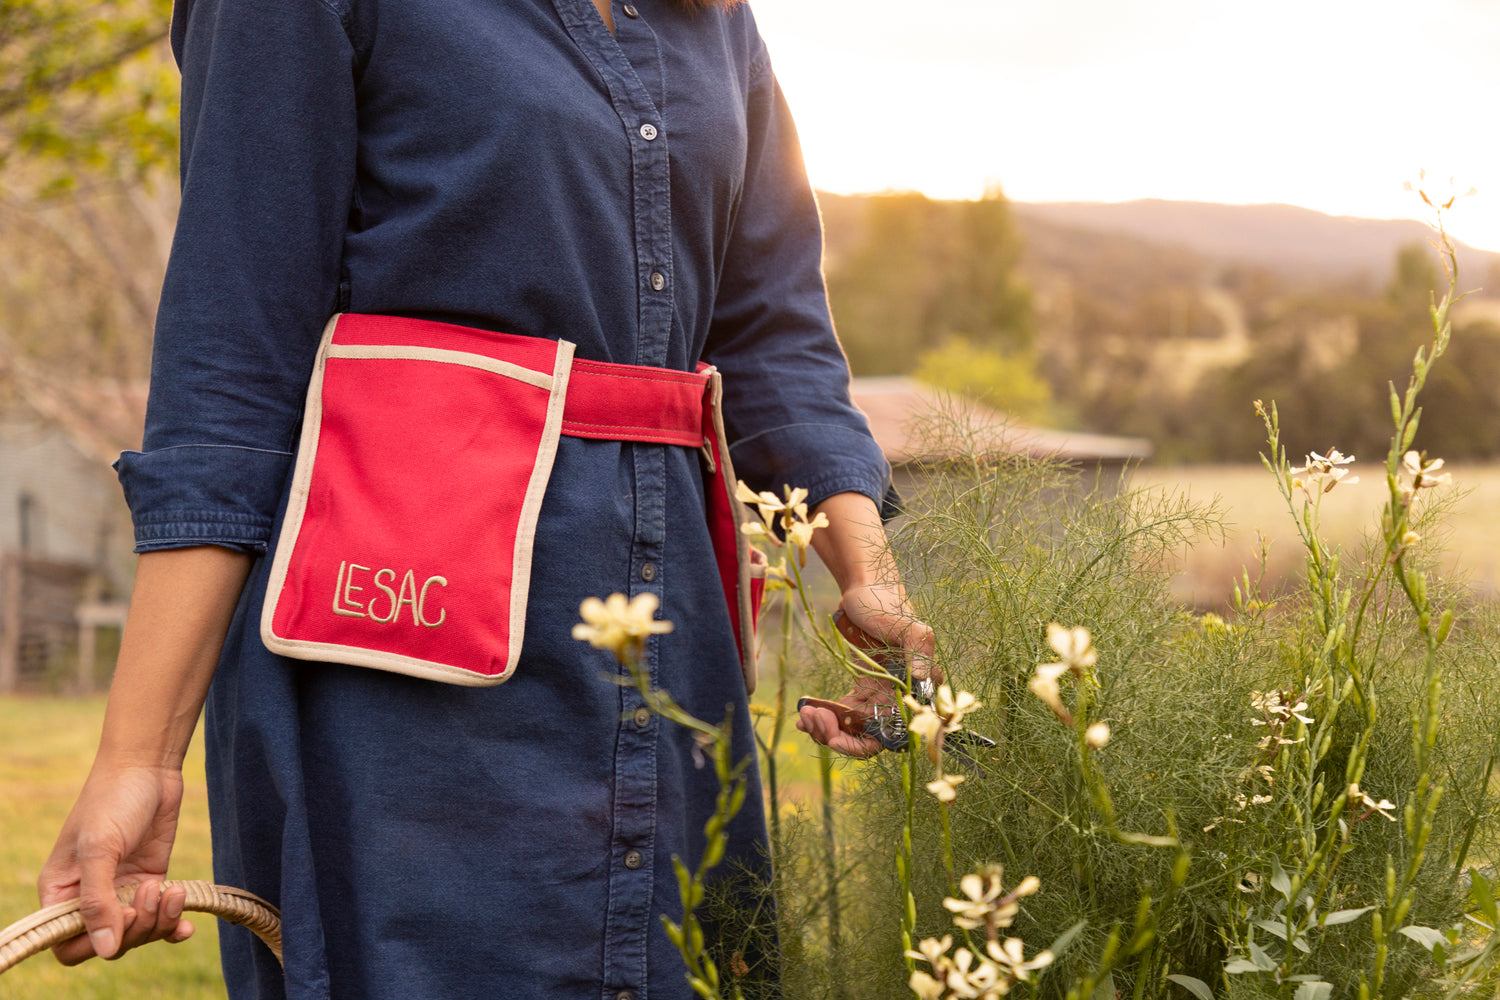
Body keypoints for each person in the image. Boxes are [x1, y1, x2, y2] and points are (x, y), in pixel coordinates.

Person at [39, 0, 930, 995]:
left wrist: (868, 572)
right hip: (402, 671)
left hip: (669, 641)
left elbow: (775, 342)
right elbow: (231, 375)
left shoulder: (717, 23)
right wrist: (139, 756)